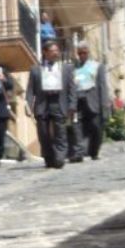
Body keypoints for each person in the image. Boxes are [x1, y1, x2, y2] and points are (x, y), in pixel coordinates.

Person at [26, 39, 76, 169]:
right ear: (45, 52)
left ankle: (60, 158)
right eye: (52, 51)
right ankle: (48, 157)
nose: (55, 53)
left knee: (60, 132)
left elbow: (72, 88)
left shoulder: (66, 68)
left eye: (56, 51)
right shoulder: (36, 70)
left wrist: (72, 105)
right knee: (43, 134)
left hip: (59, 102)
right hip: (43, 103)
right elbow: (30, 89)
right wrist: (28, 104)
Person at [68, 42, 111, 162]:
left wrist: (104, 106)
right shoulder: (73, 69)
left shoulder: (97, 66)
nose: (82, 55)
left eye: (84, 52)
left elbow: (103, 87)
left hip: (93, 103)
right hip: (77, 103)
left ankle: (94, 151)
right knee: (77, 127)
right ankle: (79, 153)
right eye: (80, 53)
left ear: (88, 53)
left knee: (96, 128)